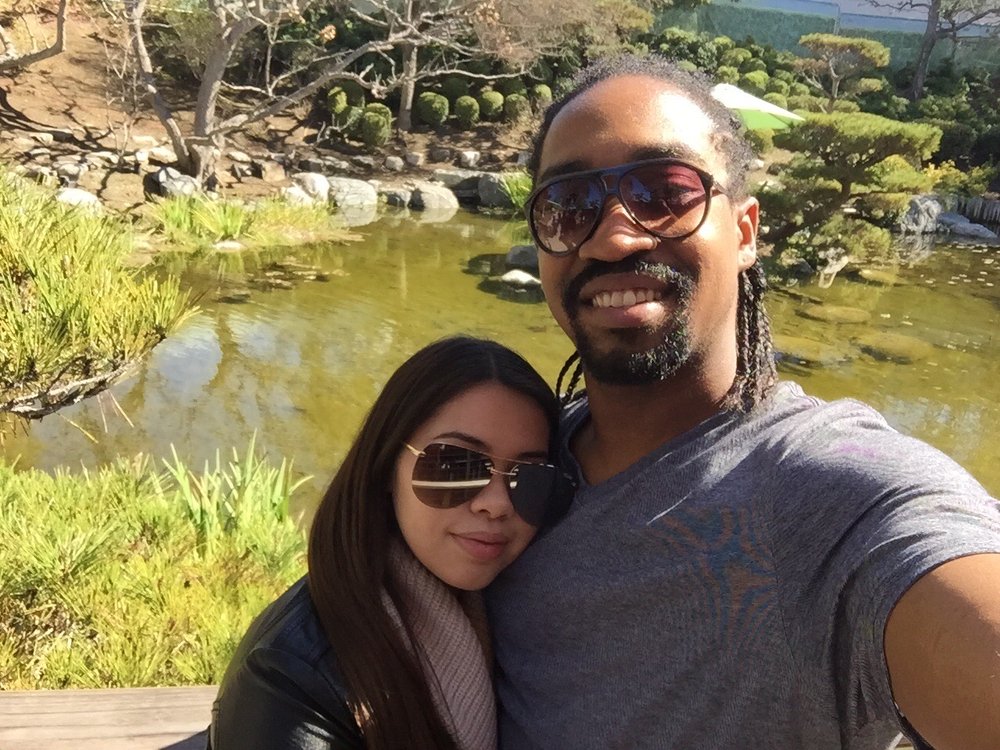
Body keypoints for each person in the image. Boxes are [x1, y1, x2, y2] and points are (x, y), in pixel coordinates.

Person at [486, 55, 1000, 750]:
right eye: (569, 204)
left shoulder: (831, 495)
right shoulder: (512, 459)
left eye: (665, 192)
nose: (612, 236)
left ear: (746, 231)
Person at [209, 336, 570, 750]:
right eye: (456, 465)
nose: (497, 504)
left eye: (530, 477)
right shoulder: (288, 681)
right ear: (385, 466)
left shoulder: (509, 612)